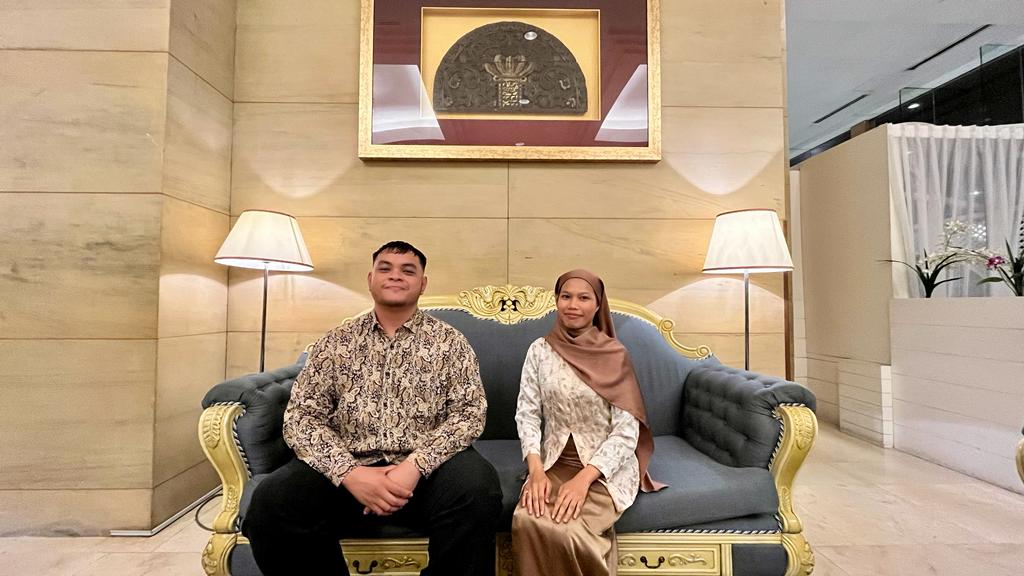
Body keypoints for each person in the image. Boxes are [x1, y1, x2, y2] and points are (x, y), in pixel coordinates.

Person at [243, 241, 502, 576]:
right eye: (385, 268)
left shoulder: (450, 343)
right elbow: (302, 418)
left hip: (429, 467)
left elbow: (469, 414)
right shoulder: (336, 342)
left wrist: (414, 466)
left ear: (422, 284)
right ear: (370, 279)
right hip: (347, 461)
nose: (396, 276)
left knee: (478, 491)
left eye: (408, 270)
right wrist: (350, 474)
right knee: (271, 505)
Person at [512, 269, 665, 576]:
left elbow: (626, 431)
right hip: (553, 462)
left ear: (597, 305)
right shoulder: (539, 350)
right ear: (556, 301)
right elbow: (527, 413)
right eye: (565, 296)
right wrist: (536, 470)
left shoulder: (614, 355)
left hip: (605, 469)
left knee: (570, 531)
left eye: (583, 298)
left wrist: (584, 480)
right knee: (526, 519)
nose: (573, 305)